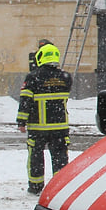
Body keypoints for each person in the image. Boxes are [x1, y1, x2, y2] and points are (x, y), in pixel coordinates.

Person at [16, 40, 72, 194]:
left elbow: (25, 100)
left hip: (38, 127)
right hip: (60, 127)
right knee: (60, 158)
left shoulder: (33, 77)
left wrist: (21, 121)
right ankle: (59, 188)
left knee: (36, 158)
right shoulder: (65, 77)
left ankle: (35, 186)